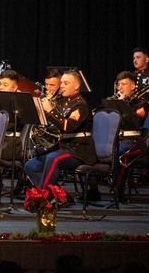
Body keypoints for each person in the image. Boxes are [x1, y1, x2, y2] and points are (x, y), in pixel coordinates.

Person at [23, 70, 97, 200]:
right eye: (61, 82)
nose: (61, 86)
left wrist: (51, 110)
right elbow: (48, 122)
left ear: (76, 86)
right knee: (31, 166)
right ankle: (60, 196)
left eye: (66, 83)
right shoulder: (62, 102)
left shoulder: (81, 105)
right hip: (62, 147)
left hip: (79, 150)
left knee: (53, 159)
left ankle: (42, 198)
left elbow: (67, 127)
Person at [112, 70, 149, 197]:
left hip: (135, 142)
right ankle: (93, 190)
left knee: (120, 154)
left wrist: (123, 105)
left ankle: (118, 190)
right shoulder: (115, 102)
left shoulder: (141, 104)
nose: (120, 88)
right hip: (117, 139)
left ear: (132, 87)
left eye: (124, 84)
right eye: (119, 84)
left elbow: (136, 122)